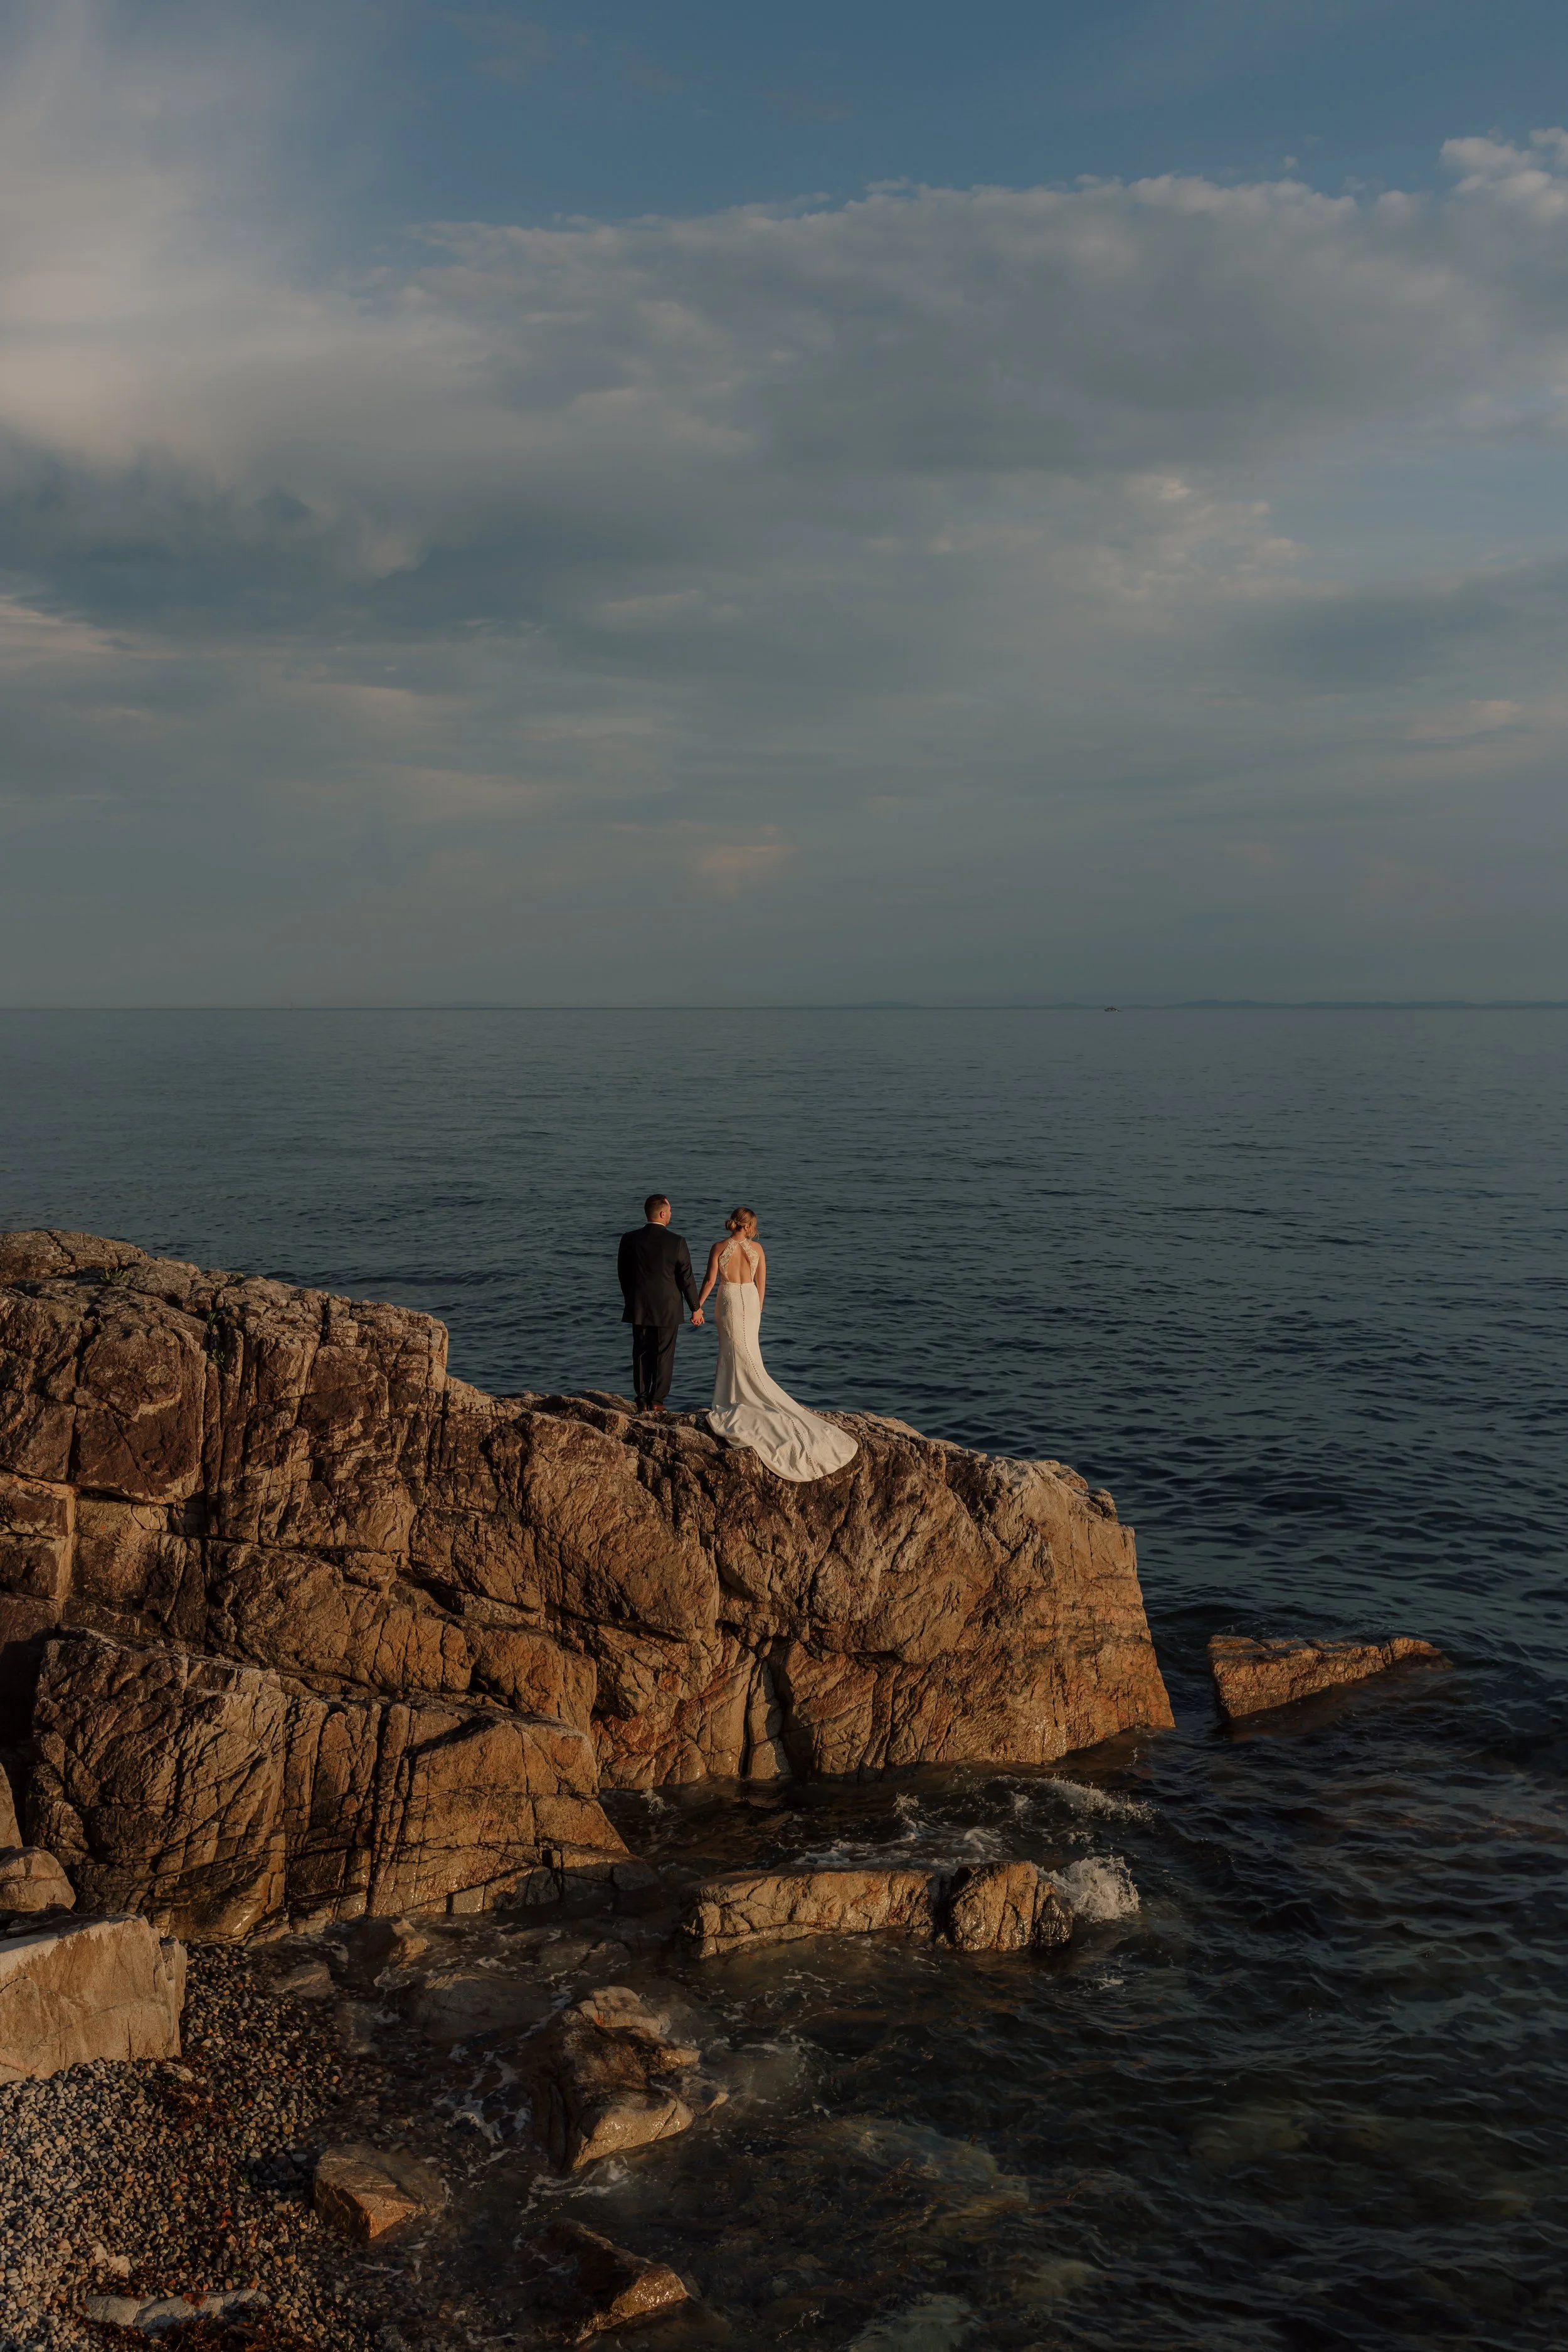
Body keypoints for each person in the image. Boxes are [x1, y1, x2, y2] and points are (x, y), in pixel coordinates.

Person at [696, 1207, 857, 1483]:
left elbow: (711, 1280)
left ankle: (733, 1397)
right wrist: (758, 1307)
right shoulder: (757, 1249)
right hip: (749, 1300)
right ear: (748, 1226)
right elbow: (762, 1284)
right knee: (748, 1352)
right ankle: (742, 1394)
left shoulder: (719, 1247)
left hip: (729, 1299)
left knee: (733, 1352)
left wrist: (697, 1307)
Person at [617, 1194, 703, 1412]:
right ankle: (657, 1401)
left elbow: (623, 1274)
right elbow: (686, 1278)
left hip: (639, 1306)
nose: (671, 1214)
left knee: (641, 1352)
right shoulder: (677, 1242)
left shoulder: (629, 1239)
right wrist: (696, 1307)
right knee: (664, 1353)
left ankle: (641, 1399)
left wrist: (631, 1299)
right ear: (663, 1214)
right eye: (670, 1211)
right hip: (668, 1307)